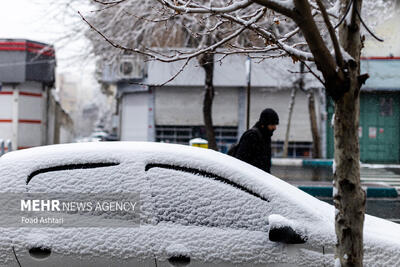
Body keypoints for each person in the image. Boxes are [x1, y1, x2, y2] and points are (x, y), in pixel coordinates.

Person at [233, 108, 279, 173]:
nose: (275, 128)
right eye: (272, 125)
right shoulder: (252, 136)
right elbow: (241, 161)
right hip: (251, 179)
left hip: (260, 179)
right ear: (264, 124)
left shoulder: (266, 137)